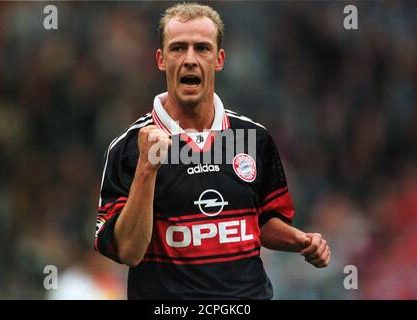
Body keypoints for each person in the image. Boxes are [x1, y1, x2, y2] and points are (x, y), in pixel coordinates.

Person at [94, 2, 331, 299]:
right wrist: (147, 167)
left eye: (202, 48)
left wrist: (301, 241)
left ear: (218, 59)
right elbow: (128, 251)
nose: (190, 59)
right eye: (178, 48)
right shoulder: (129, 148)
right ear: (161, 59)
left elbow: (262, 221)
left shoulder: (253, 139)